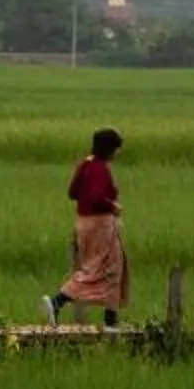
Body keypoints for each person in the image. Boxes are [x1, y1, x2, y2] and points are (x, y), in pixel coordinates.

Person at [47, 128, 129, 327]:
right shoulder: (100, 168)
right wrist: (113, 206)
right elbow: (96, 197)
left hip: (82, 223)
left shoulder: (85, 164)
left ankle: (111, 317)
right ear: (109, 149)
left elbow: (73, 192)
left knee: (106, 268)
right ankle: (58, 300)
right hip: (100, 224)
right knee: (105, 269)